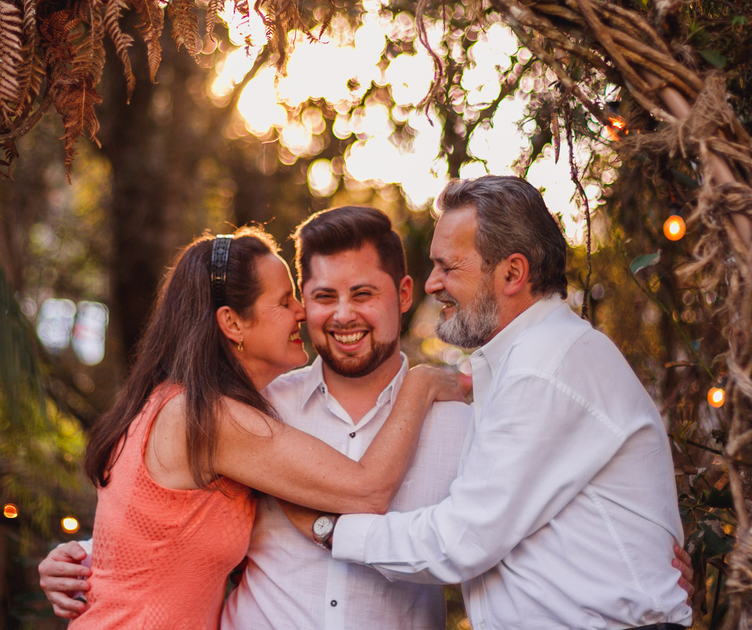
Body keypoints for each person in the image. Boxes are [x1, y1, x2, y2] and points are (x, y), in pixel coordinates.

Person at [42, 206, 695, 627]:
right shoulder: (255, 414)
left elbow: (513, 525)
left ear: (403, 295)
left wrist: (640, 574)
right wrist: (83, 559)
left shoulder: (467, 420)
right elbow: (173, 523)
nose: (337, 314)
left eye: (363, 293)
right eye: (318, 296)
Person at [283, 176, 694, 630]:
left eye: (447, 267)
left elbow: (463, 539)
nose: (432, 283)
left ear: (512, 274)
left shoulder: (544, 365)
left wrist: (332, 529)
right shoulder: (526, 363)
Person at [59, 226, 465, 630]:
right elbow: (367, 490)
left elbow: (154, 535)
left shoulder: (177, 401)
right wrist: (420, 384)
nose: (302, 312)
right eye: (285, 301)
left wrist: (83, 557)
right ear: (233, 323)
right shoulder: (207, 416)